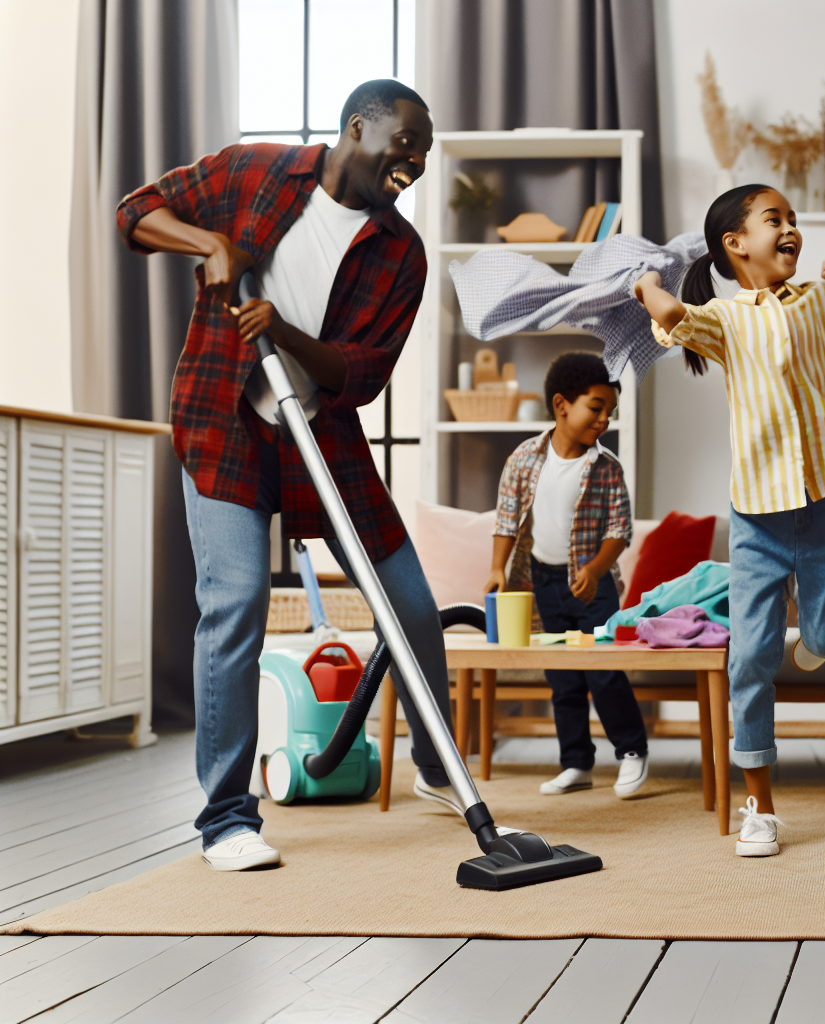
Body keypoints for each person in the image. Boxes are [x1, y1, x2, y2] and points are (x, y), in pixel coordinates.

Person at [117, 80, 462, 871]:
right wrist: (209, 246)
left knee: (408, 606)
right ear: (357, 129)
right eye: (405, 142)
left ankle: (443, 773)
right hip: (222, 422)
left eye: (425, 153)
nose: (416, 161)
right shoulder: (253, 172)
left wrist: (287, 333)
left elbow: (363, 376)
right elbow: (136, 211)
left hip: (323, 437)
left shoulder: (399, 253)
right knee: (233, 602)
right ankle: (227, 821)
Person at [633, 184, 825, 857]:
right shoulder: (723, 317)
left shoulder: (821, 302)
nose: (790, 230)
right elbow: (670, 315)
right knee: (749, 657)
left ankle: (814, 638)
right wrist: (645, 285)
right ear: (736, 243)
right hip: (757, 514)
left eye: (793, 221)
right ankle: (761, 805)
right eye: (774, 219)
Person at [486, 351, 649, 799]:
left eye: (609, 413)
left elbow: (620, 530)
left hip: (592, 588)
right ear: (562, 406)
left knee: (604, 672)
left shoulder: (606, 468)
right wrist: (497, 568)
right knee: (562, 676)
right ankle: (576, 761)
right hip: (544, 582)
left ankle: (632, 751)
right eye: (595, 408)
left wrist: (596, 569)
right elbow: (506, 518)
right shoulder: (524, 459)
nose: (603, 421)